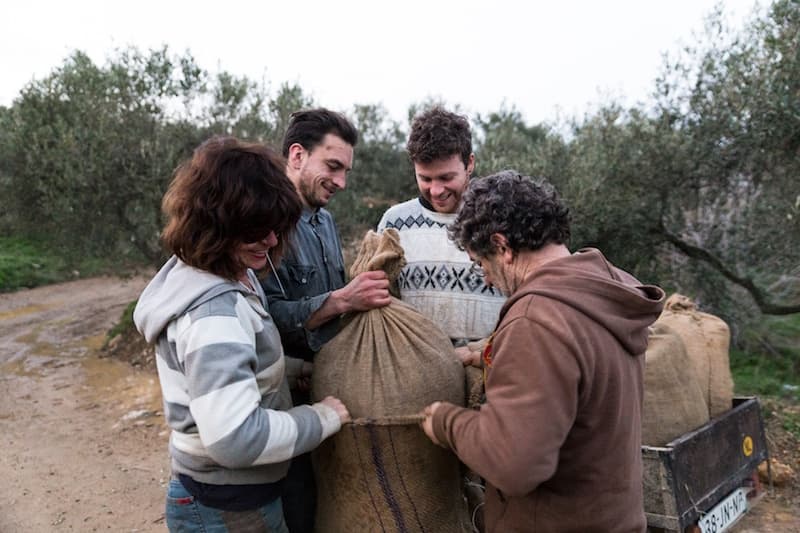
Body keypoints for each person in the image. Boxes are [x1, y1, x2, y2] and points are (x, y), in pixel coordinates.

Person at [421, 171, 666, 533]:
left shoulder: (535, 321)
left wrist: (447, 422)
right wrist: (498, 351)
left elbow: (513, 464)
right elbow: (583, 370)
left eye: (480, 264)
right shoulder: (607, 289)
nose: (485, 278)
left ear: (501, 246)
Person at [133, 136, 350, 533]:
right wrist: (321, 418)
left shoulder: (230, 272)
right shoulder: (212, 312)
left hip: (235, 498)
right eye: (257, 231)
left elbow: (235, 367)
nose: (270, 242)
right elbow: (236, 438)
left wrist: (292, 369)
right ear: (217, 226)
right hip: (225, 507)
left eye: (277, 229)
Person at [260, 108, 390, 533]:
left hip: (330, 389)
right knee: (297, 507)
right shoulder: (263, 221)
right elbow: (264, 317)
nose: (341, 183)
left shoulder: (325, 219)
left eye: (346, 171)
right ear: (297, 156)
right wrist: (340, 300)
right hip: (285, 401)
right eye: (333, 167)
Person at [377, 106, 504, 366]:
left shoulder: (501, 219)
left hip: (492, 368)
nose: (436, 190)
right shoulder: (394, 223)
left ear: (470, 163)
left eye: (446, 177)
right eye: (425, 178)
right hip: (417, 370)